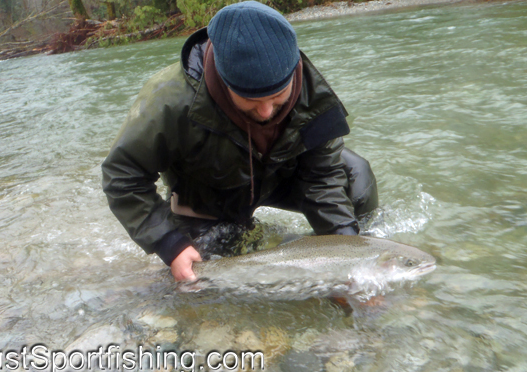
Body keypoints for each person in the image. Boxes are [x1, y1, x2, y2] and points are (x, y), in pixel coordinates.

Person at [102, 1, 378, 282]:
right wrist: (168, 244)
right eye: (250, 100)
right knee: (209, 277)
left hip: (280, 175)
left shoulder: (311, 89)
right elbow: (123, 175)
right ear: (223, 80)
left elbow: (322, 178)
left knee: (354, 176)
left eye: (277, 97)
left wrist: (350, 258)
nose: (266, 112)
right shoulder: (170, 101)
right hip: (210, 193)